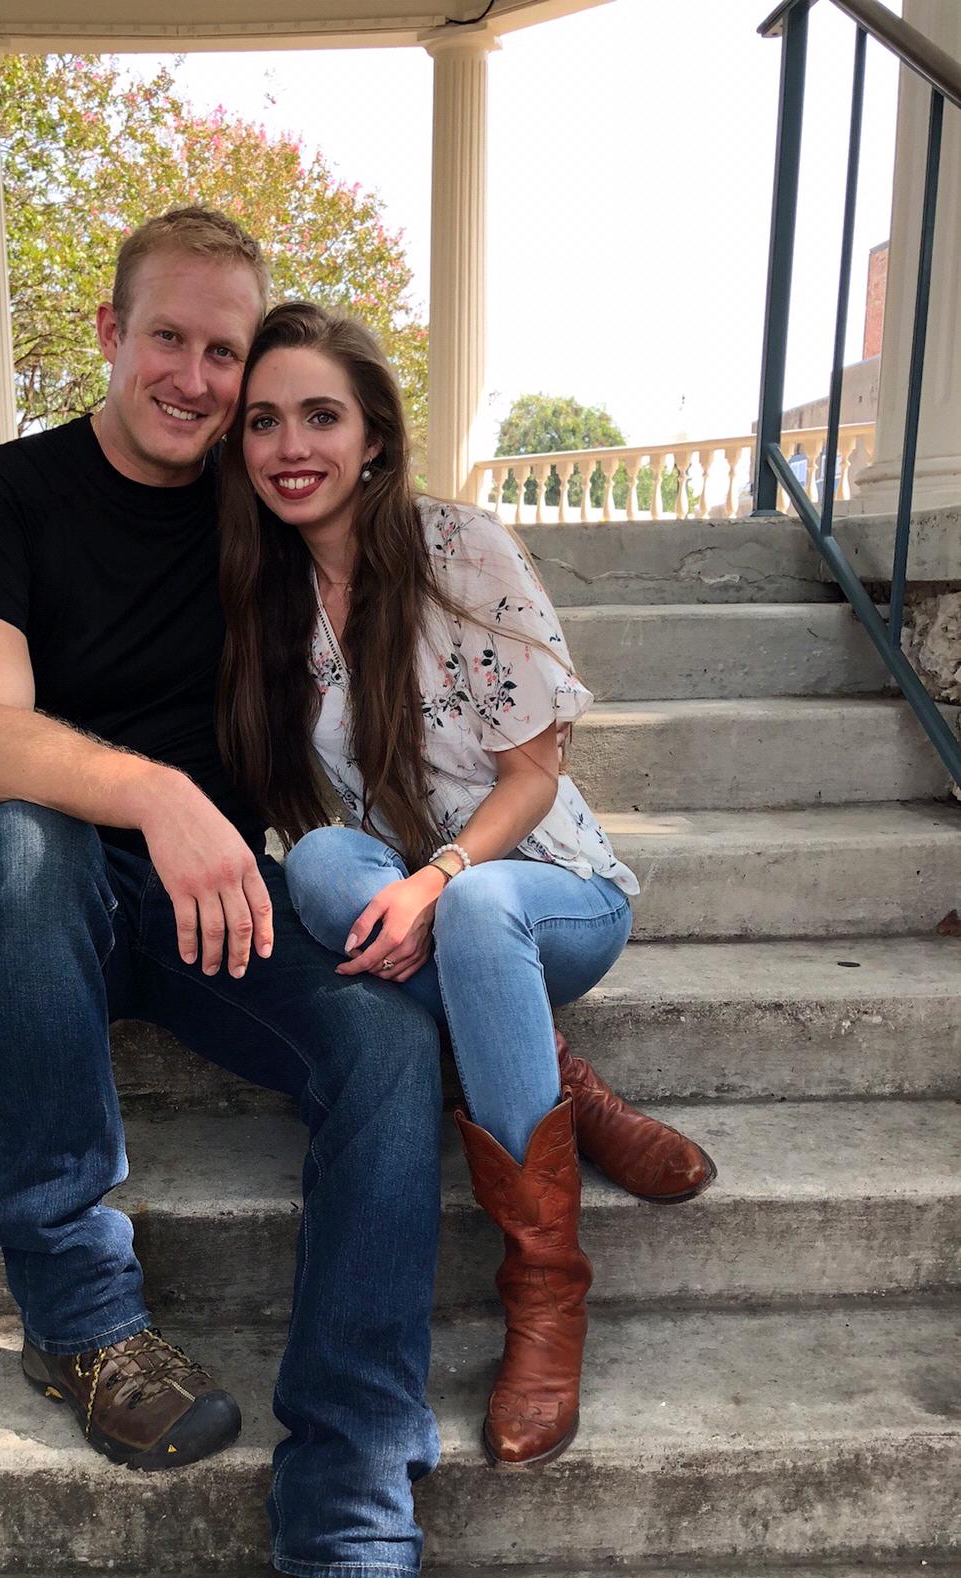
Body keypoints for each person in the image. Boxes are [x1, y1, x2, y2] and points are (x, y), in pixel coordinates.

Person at [0, 212, 455, 1578]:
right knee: (16, 847)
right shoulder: (0, 493)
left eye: (229, 354)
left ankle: (348, 1544)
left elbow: (413, 597)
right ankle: (86, 1320)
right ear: (107, 328)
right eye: (175, 339)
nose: (203, 379)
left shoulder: (258, 501)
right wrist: (154, 794)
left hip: (225, 902)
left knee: (384, 1041)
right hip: (71, 881)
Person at [218, 301, 716, 1475]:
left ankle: (547, 1289)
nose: (293, 445)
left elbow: (534, 778)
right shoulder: (265, 594)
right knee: (325, 865)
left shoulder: (460, 550)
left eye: (322, 416)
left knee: (482, 907)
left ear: (377, 436)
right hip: (395, 879)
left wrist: (442, 876)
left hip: (547, 889)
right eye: (265, 422)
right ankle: (563, 1089)